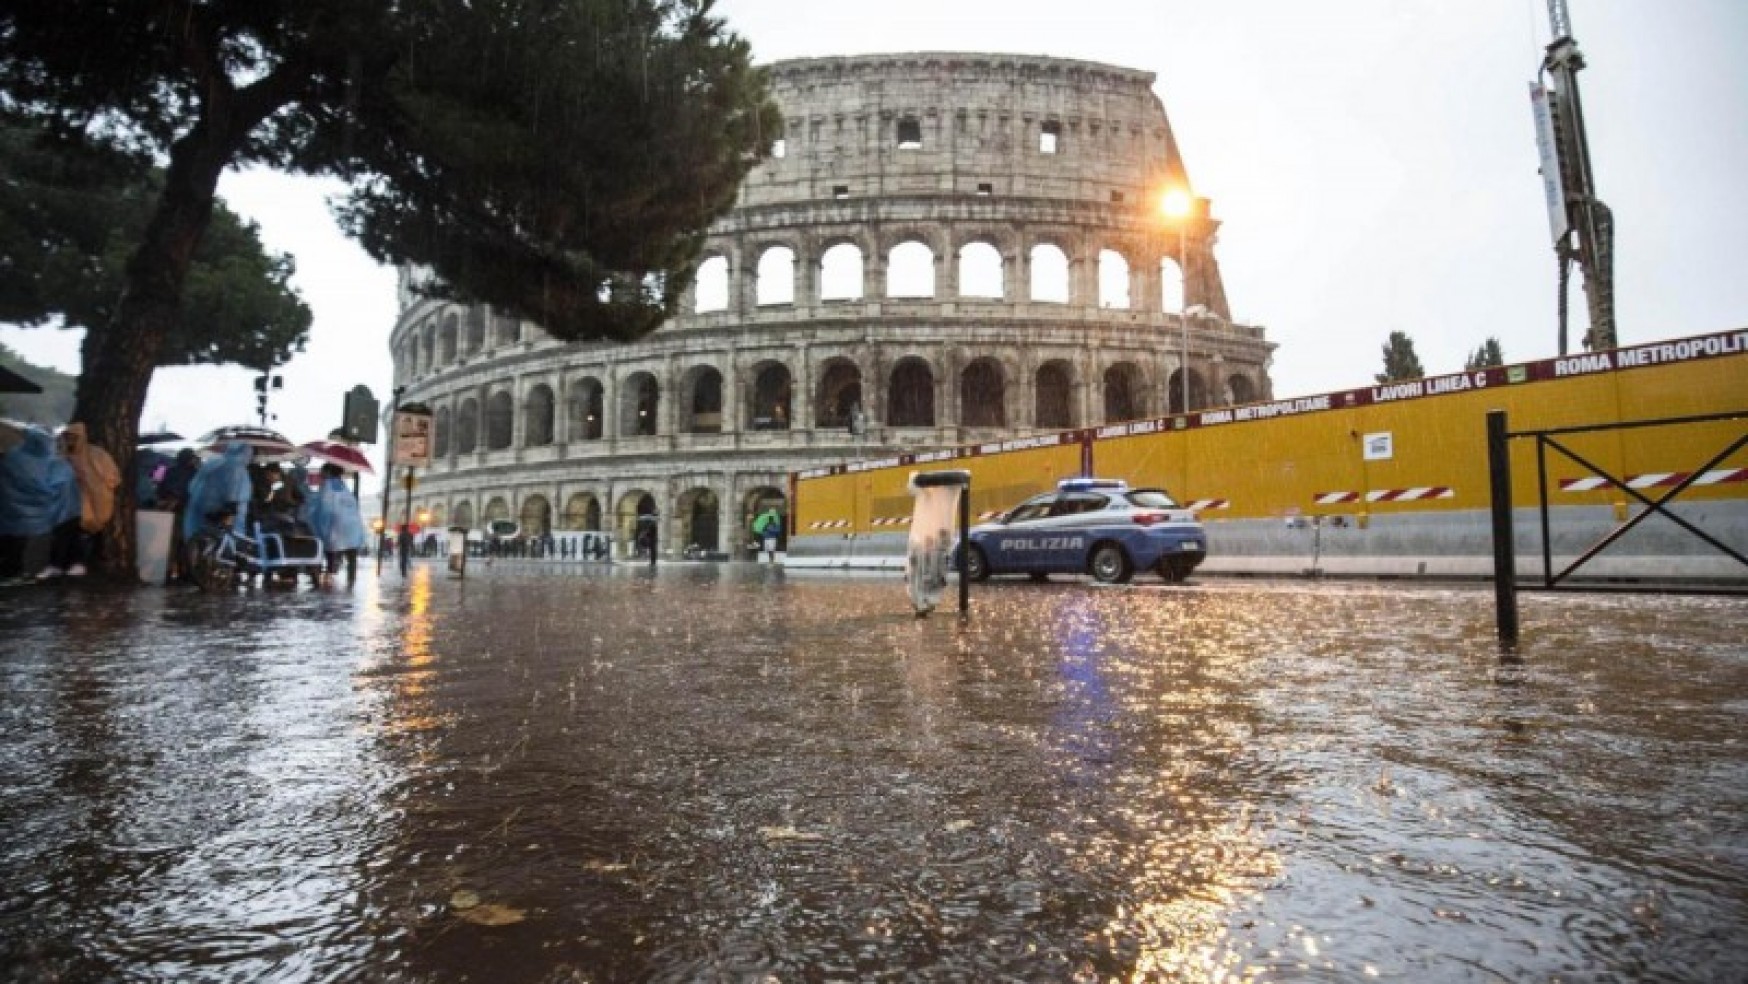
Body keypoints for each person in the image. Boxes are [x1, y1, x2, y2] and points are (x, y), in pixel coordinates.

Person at [0, 427, 79, 584]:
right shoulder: (54, 463)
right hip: (41, 510)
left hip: (11, 508)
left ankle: (11, 570)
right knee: (16, 542)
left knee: (11, 541)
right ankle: (13, 570)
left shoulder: (13, 456)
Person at [49, 422, 121, 578]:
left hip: (92, 502)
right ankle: (62, 564)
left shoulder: (97, 455)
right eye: (67, 438)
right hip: (69, 504)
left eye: (73, 438)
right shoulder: (62, 456)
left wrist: (90, 482)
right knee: (67, 534)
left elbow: (112, 479)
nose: (70, 441)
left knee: (84, 534)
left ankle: (79, 564)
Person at [300, 463, 366, 584]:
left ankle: (329, 575)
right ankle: (351, 581)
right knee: (351, 554)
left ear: (328, 472)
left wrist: (309, 508)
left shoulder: (327, 485)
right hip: (353, 525)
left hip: (336, 523)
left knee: (329, 547)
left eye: (322, 471)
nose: (320, 473)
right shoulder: (344, 486)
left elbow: (324, 505)